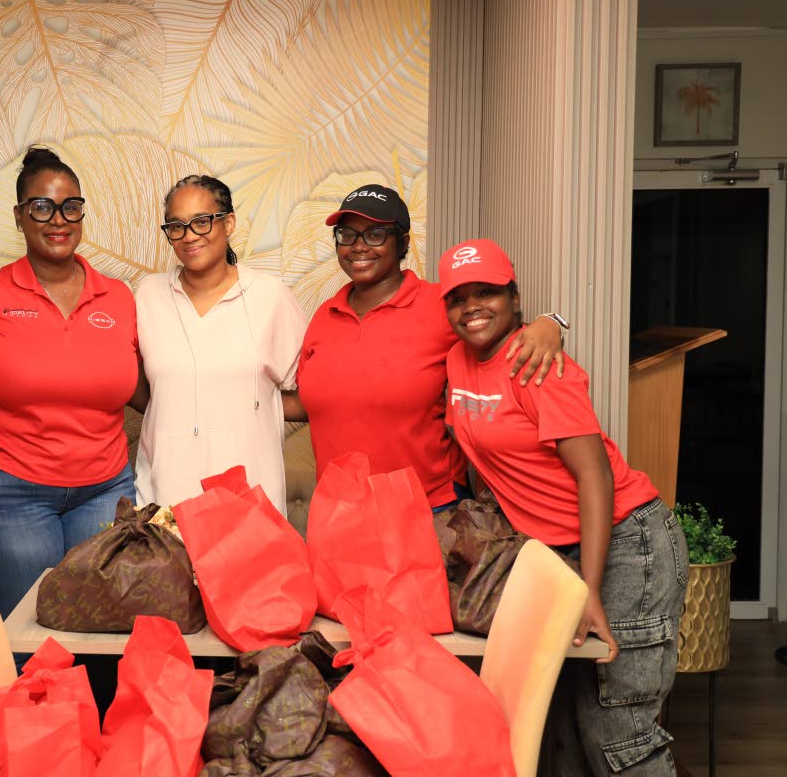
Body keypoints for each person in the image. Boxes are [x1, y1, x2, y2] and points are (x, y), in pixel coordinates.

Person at [440, 238, 687, 775]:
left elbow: (595, 476)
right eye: (458, 298)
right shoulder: (457, 359)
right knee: (562, 734)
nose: (472, 307)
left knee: (617, 730)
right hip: (554, 552)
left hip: (626, 542)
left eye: (487, 293)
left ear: (514, 298)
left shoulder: (537, 366)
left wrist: (591, 588)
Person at [0, 146, 138, 619]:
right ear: (19, 216)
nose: (58, 220)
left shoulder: (119, 297)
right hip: (14, 493)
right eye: (41, 206)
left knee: (97, 630)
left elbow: (151, 384)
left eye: (71, 206)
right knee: (28, 630)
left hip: (104, 489)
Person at [292, 185, 566, 511]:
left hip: (428, 505)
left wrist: (550, 322)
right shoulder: (325, 315)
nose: (359, 246)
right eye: (347, 235)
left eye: (375, 234)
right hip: (343, 509)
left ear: (402, 243)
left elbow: (503, 335)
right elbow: (312, 401)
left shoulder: (439, 305)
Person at [131, 175, 306, 513]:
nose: (189, 236)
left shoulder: (269, 296)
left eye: (201, 221)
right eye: (176, 226)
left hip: (251, 498)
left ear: (228, 224)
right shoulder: (148, 294)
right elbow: (132, 383)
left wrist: (246, 405)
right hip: (166, 494)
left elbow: (312, 395)